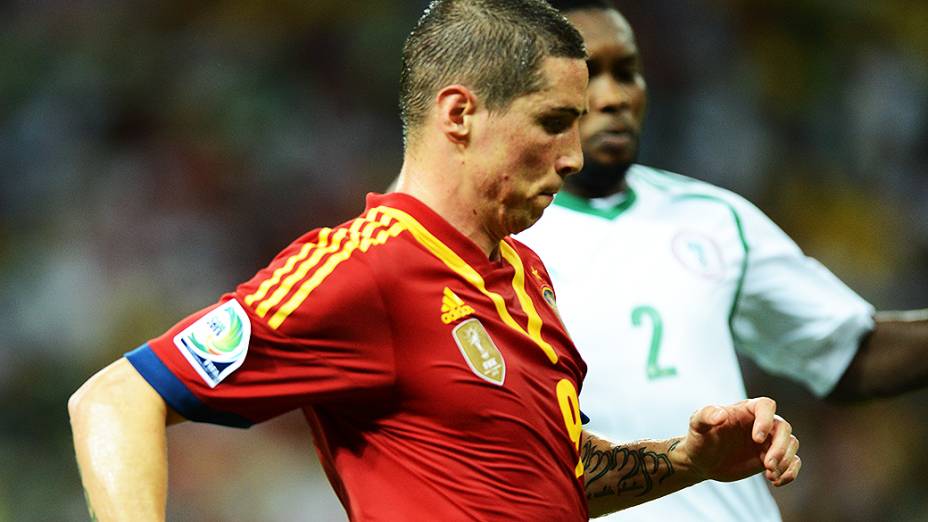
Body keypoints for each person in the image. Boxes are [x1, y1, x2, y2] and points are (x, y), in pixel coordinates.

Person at [68, 1, 800, 520]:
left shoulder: (525, 276)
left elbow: (550, 478)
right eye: (552, 124)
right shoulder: (366, 267)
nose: (574, 157)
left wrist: (688, 460)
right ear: (459, 115)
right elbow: (115, 399)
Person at [517, 1, 928, 520]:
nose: (616, 97)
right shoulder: (504, 236)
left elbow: (849, 352)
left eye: (628, 71)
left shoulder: (713, 217)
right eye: (590, 74)